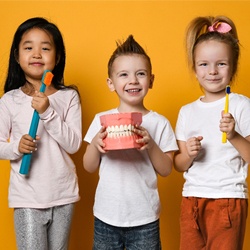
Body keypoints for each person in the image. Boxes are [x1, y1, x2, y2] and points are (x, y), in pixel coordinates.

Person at [83, 35, 178, 250]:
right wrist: (95, 144)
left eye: (140, 74)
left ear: (151, 80)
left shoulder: (159, 123)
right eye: (124, 74)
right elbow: (88, 166)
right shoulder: (101, 120)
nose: (133, 80)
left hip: (145, 218)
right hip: (106, 216)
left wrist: (150, 144)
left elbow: (166, 170)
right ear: (111, 83)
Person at [0, 17, 82, 250]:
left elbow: (74, 144)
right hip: (27, 196)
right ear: (17, 56)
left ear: (57, 57)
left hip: (63, 195)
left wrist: (47, 112)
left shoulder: (69, 97)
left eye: (45, 48)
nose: (37, 54)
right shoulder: (10, 100)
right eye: (28, 48)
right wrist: (17, 147)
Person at [174, 15, 250, 250]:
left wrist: (235, 135)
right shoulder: (186, 112)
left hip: (228, 198)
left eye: (221, 64)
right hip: (192, 199)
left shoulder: (242, 105)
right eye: (204, 64)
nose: (213, 71)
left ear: (233, 66)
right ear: (195, 69)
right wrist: (190, 154)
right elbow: (179, 164)